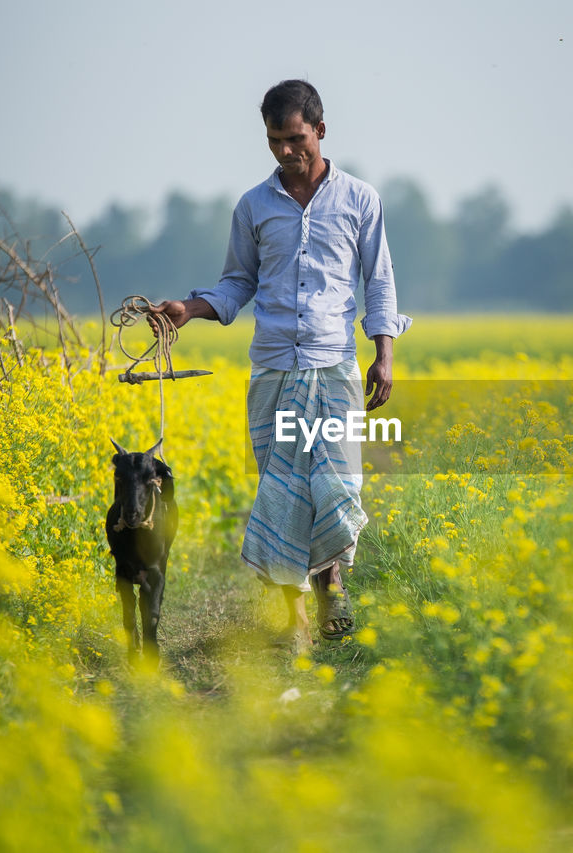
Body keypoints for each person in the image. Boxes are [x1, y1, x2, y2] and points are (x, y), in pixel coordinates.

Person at [151, 79, 410, 649]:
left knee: (336, 483)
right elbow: (238, 281)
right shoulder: (253, 206)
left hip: (334, 365)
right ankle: (297, 611)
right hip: (272, 369)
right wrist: (188, 309)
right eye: (275, 141)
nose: (287, 151)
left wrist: (384, 353)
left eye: (296, 138)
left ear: (320, 130)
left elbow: (380, 281)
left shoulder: (360, 200)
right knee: (283, 487)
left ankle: (330, 582)